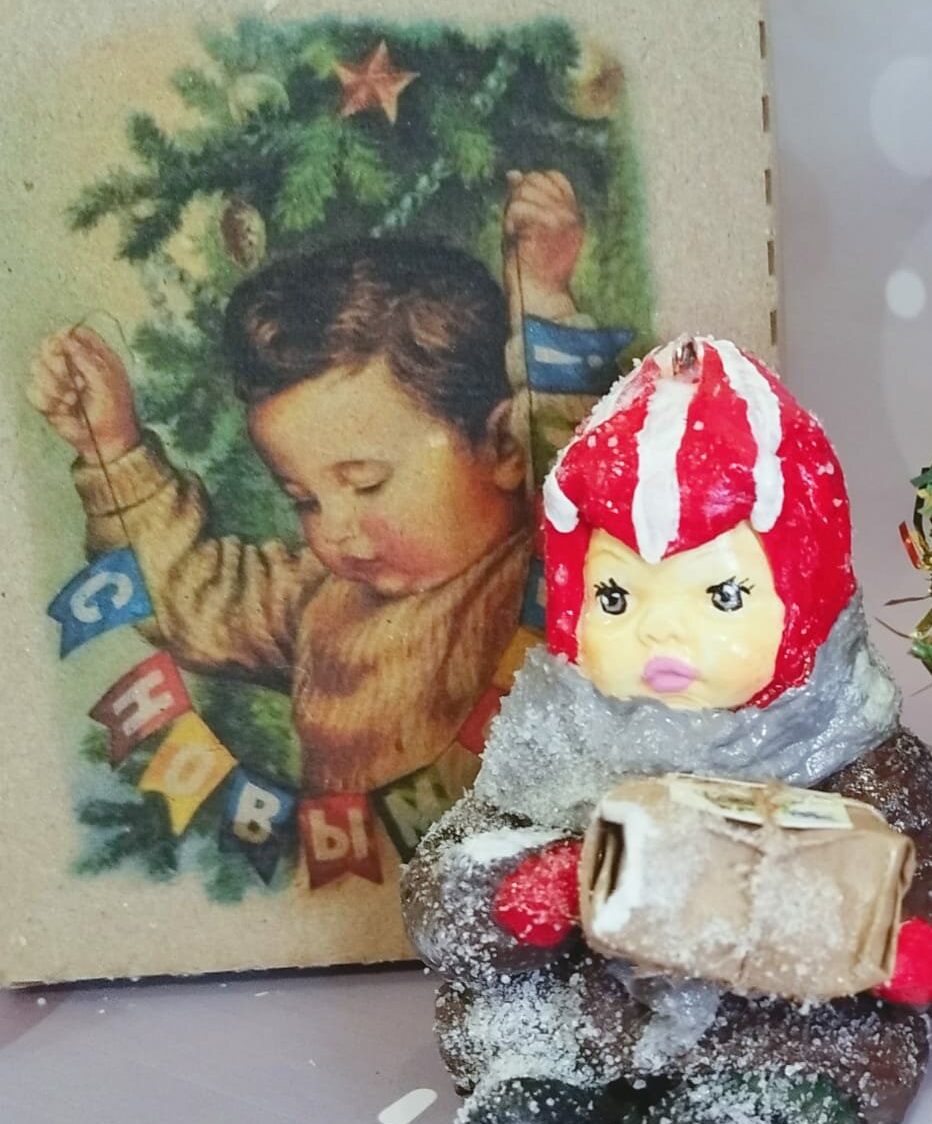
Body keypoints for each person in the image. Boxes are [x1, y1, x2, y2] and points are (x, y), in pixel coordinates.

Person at [403, 335, 932, 1124]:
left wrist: (901, 949)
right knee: (524, 1059)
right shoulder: (554, 741)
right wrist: (524, 892)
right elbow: (445, 886)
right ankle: (550, 1113)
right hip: (586, 1012)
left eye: (720, 597)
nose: (658, 634)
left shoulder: (852, 755)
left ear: (797, 595)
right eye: (617, 598)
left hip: (772, 1028)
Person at [26, 172, 589, 796]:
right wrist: (113, 449)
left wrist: (544, 302)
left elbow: (589, 477)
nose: (335, 529)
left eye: (367, 484)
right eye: (305, 500)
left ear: (502, 446)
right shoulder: (323, 598)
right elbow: (190, 596)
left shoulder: (535, 572)